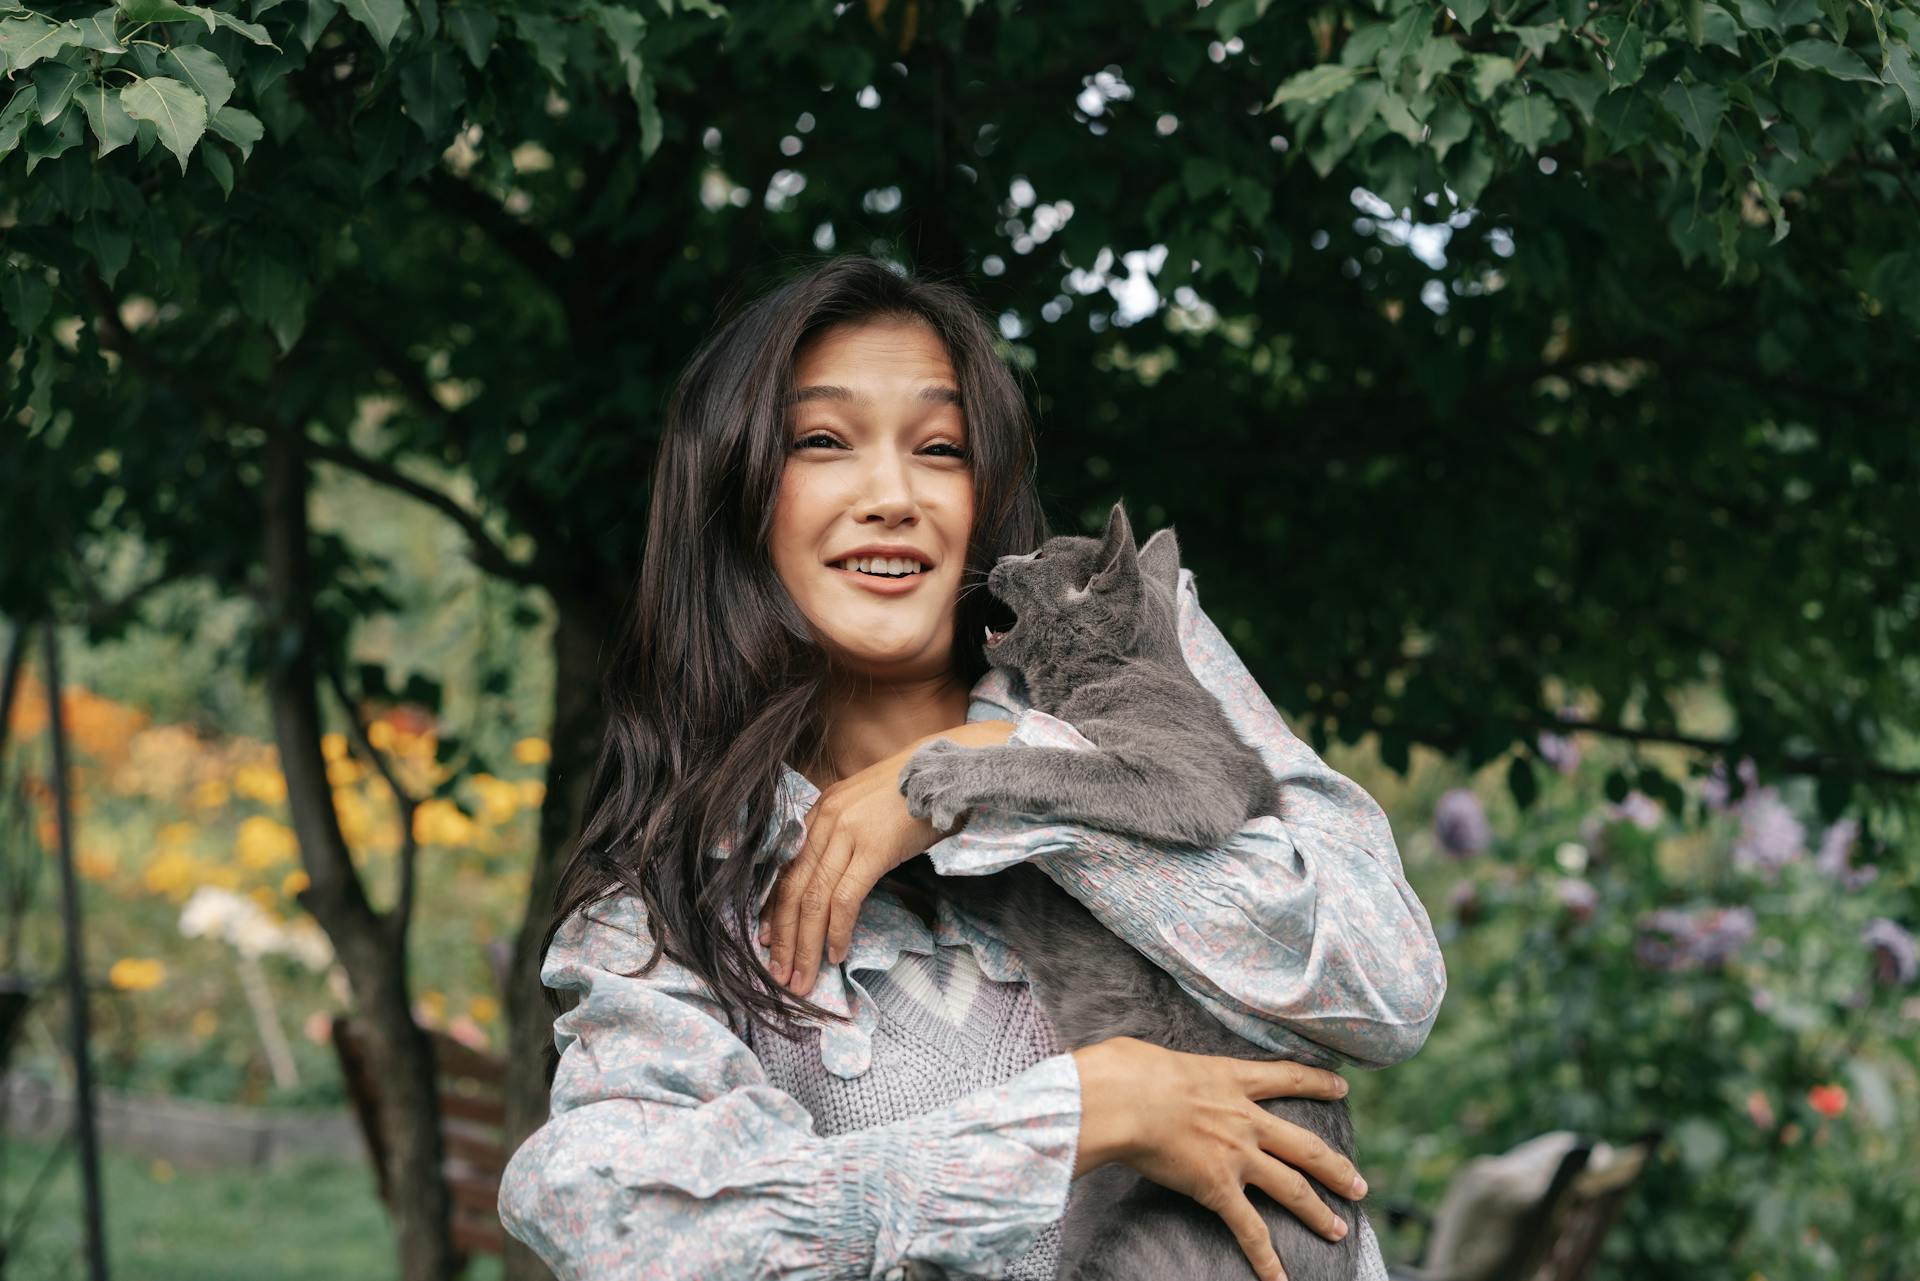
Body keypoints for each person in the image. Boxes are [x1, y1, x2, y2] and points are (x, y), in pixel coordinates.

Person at [497, 254, 1446, 1281]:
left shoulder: (1133, 649)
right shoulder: (670, 901)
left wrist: (995, 782)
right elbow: (629, 1230)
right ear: (738, 493)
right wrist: (1086, 1114)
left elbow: (1386, 985)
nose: (894, 496)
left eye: (940, 449)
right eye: (824, 441)